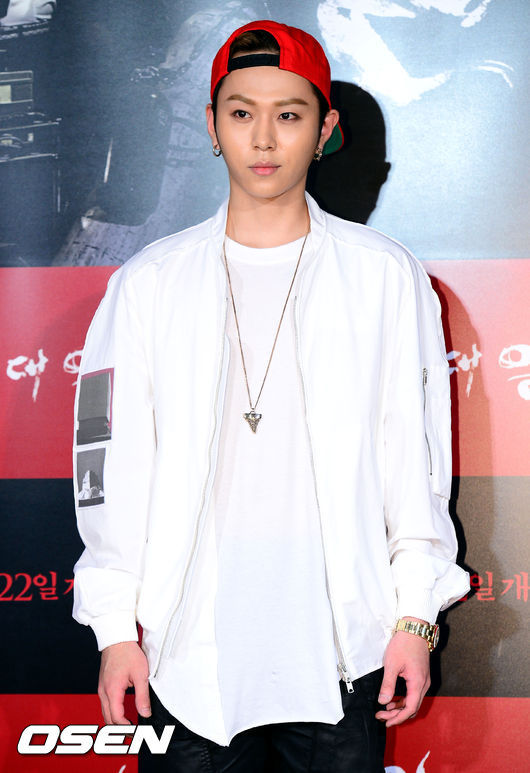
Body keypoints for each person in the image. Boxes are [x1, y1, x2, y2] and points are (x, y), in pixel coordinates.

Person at [72, 19, 470, 772]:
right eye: (241, 112)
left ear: (325, 130)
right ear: (211, 126)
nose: (263, 138)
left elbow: (416, 460)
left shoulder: (384, 276)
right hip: (183, 662)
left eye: (288, 114)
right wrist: (114, 628)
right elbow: (106, 464)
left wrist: (415, 618)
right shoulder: (147, 283)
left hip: (343, 656)